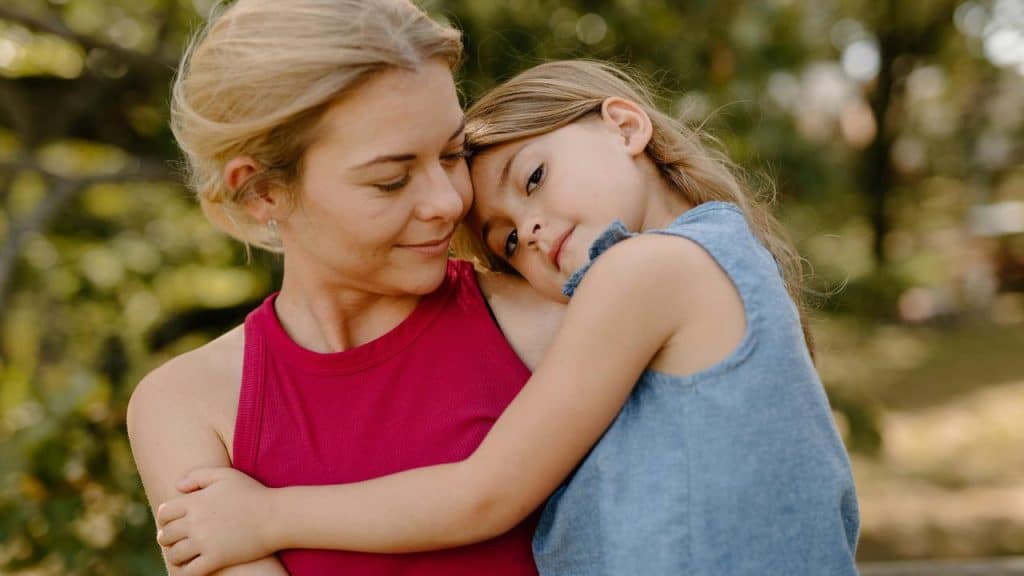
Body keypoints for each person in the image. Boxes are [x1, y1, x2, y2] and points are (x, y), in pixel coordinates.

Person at [154, 60, 861, 575]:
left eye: (534, 178)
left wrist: (268, 515)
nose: (534, 230)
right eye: (508, 241)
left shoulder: (647, 272)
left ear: (624, 124)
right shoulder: (712, 260)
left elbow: (484, 492)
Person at [126, 1, 566, 574]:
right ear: (260, 191)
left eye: (453, 154)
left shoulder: (551, 321)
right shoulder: (186, 405)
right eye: (391, 180)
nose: (448, 202)